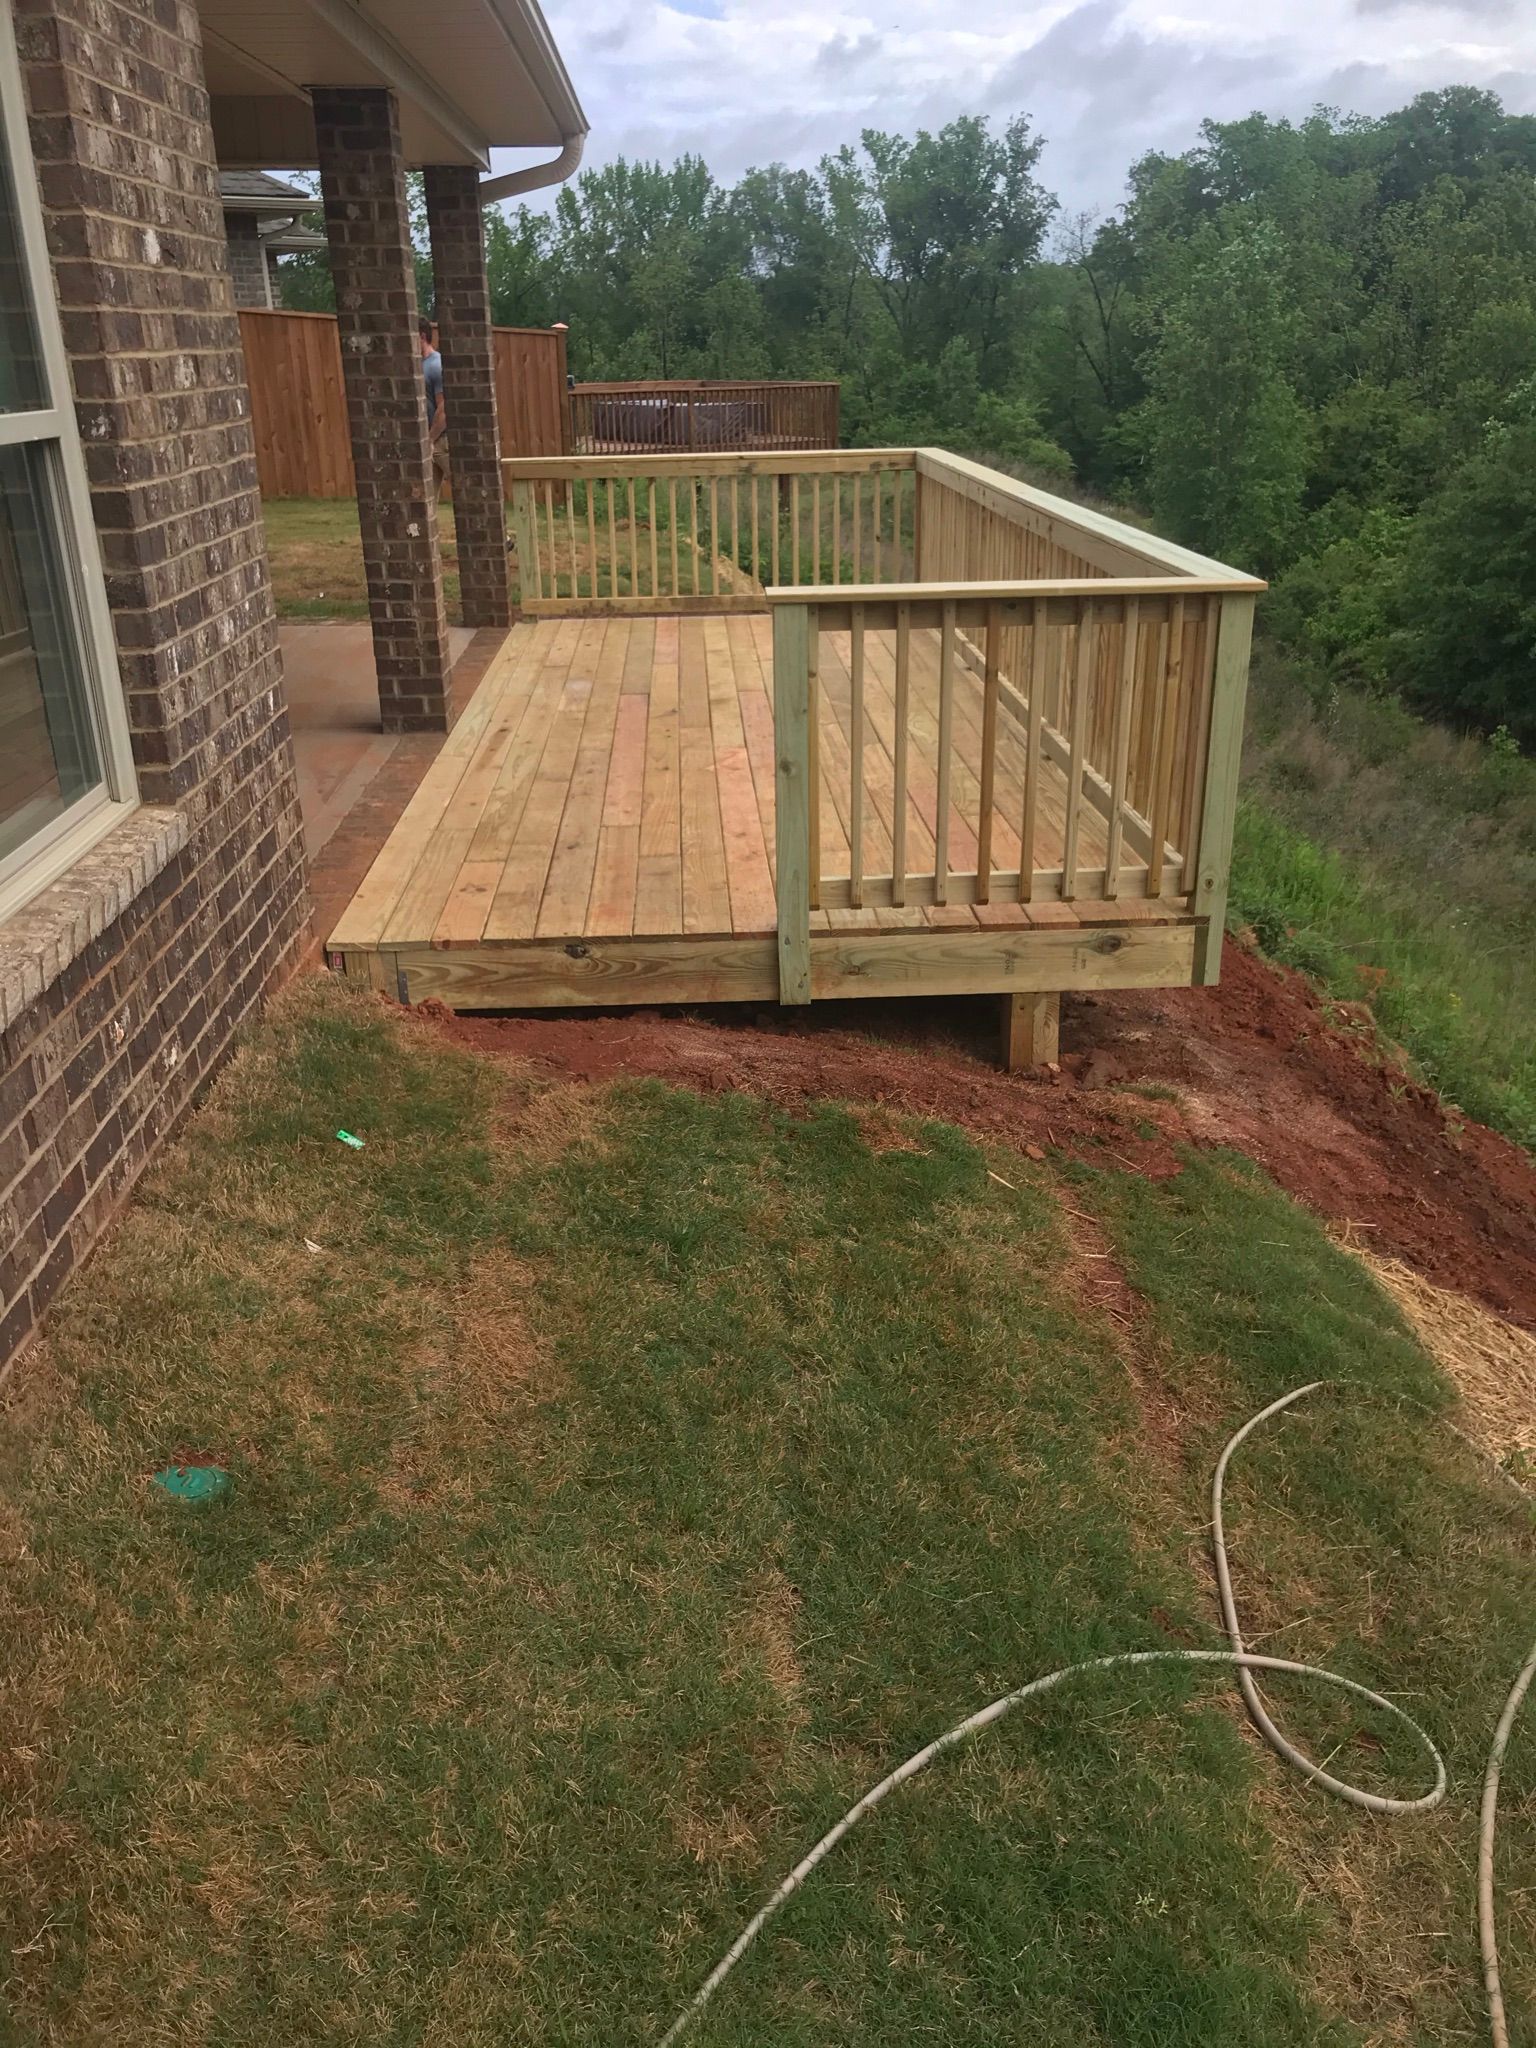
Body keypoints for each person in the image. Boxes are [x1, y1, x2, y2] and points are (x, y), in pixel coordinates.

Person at [418, 316, 448, 484]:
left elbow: (443, 407)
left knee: (467, 489)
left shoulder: (436, 365)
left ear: (422, 336)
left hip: (442, 442)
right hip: (429, 443)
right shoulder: (418, 365)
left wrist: (430, 440)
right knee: (425, 501)